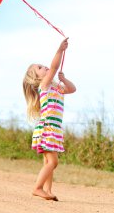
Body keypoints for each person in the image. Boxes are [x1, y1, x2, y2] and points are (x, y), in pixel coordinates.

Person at [23, 37, 76, 201]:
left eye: (42, 65)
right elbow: (53, 67)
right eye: (39, 68)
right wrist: (60, 50)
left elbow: (72, 89)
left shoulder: (57, 88)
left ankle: (48, 190)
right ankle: (37, 188)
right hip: (46, 129)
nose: (44, 66)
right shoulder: (44, 86)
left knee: (48, 162)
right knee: (53, 162)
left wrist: (64, 79)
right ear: (37, 78)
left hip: (52, 129)